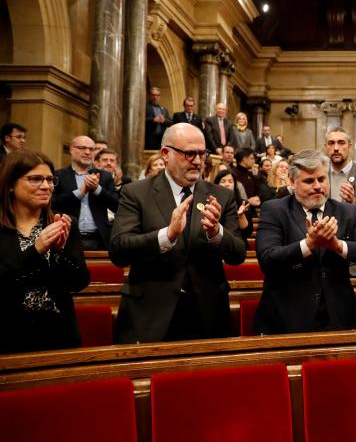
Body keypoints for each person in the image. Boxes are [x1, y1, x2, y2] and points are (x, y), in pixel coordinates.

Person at [110, 123, 246, 343]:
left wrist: (216, 232)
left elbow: (238, 254)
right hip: (151, 314)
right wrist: (167, 235)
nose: (198, 161)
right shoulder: (136, 193)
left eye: (202, 153)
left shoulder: (222, 196)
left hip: (208, 315)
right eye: (189, 153)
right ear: (166, 154)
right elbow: (119, 250)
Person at [252, 149, 356, 335]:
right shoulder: (274, 210)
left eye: (322, 179)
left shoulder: (346, 211)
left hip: (339, 317)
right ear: (292, 182)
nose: (318, 186)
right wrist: (308, 245)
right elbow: (268, 259)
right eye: (309, 181)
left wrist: (337, 245)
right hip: (287, 318)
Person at [0, 149, 90, 354]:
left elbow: (79, 282)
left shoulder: (62, 222)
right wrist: (36, 250)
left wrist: (59, 252)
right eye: (35, 179)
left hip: (58, 333)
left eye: (50, 180)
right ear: (11, 184)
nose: (46, 186)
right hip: (8, 333)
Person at [52, 135, 119, 251]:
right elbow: (52, 204)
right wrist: (80, 192)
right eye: (82, 148)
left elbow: (117, 205)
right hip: (68, 237)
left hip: (100, 239)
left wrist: (97, 189)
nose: (87, 152)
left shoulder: (105, 176)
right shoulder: (58, 175)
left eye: (91, 149)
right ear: (71, 149)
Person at [213, 169, 251, 244]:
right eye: (223, 181)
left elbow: (247, 233)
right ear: (217, 184)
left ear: (235, 185)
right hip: (216, 243)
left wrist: (241, 216)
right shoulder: (212, 202)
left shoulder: (243, 203)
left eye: (230, 181)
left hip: (238, 243)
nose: (227, 184)